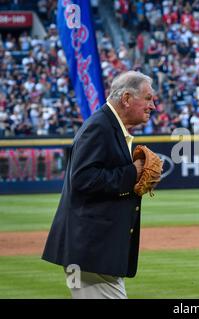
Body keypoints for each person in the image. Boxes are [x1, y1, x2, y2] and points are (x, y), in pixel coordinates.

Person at [42, 71, 156, 299]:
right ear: (126, 98)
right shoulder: (100, 127)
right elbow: (82, 180)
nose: (152, 106)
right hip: (89, 253)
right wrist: (132, 173)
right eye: (148, 98)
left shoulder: (108, 125)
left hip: (93, 253)